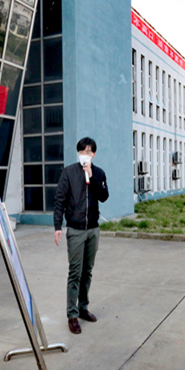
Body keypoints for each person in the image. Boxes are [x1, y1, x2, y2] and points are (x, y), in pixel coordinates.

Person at [53, 137, 109, 335]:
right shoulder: (69, 172)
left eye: (89, 151)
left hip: (93, 230)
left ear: (94, 154)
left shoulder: (99, 173)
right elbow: (60, 200)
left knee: (88, 271)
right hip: (76, 230)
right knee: (75, 272)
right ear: (78, 153)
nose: (86, 154)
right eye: (83, 151)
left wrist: (92, 177)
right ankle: (72, 315)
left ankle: (83, 308)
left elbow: (104, 196)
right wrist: (57, 226)